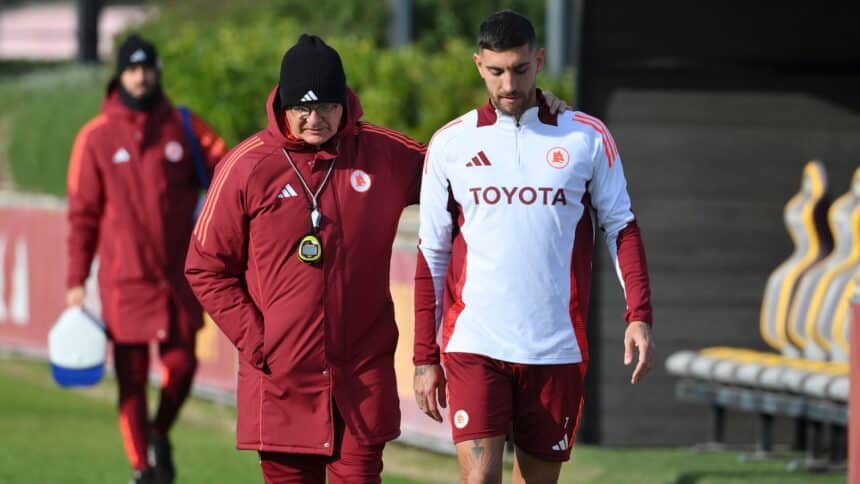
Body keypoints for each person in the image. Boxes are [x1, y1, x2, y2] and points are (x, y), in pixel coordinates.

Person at [184, 33, 572, 484]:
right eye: (302, 109)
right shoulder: (246, 166)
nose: (316, 120)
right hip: (281, 382)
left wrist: (529, 114)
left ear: (345, 101)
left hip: (361, 380)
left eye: (328, 106)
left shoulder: (384, 154)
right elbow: (205, 266)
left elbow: (463, 168)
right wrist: (259, 341)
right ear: (283, 106)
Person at [412, 10, 655, 484]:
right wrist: (425, 357)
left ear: (539, 61)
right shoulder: (450, 144)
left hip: (555, 348)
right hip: (474, 344)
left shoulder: (585, 135)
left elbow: (621, 226)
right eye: (497, 71)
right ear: (478, 64)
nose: (509, 84)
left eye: (520, 69)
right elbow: (431, 252)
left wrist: (639, 315)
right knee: (479, 479)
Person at [65, 35, 226, 484]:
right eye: (132, 70)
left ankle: (158, 434)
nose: (141, 77)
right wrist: (76, 279)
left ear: (157, 71)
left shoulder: (185, 127)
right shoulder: (95, 137)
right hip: (125, 282)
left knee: (182, 367)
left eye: (147, 68)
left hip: (178, 279)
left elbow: (232, 172)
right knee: (131, 379)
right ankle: (142, 470)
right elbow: (81, 216)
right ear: (120, 76)